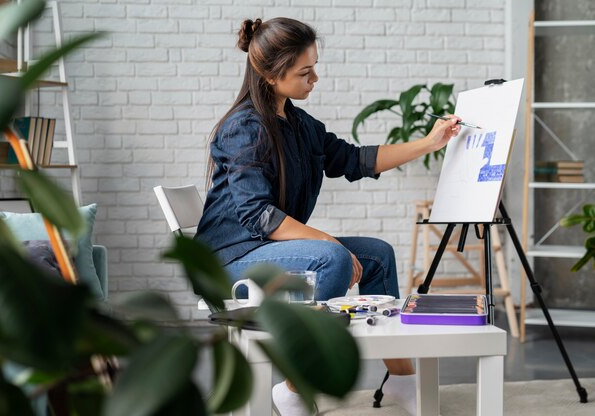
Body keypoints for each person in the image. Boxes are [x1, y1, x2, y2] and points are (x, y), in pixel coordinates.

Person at [195, 17, 461, 416]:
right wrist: (327, 242)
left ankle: (402, 378)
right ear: (270, 75)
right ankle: (295, 387)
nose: (314, 78)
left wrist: (429, 142)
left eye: (314, 66)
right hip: (228, 261)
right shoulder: (243, 128)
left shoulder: (300, 125)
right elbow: (258, 215)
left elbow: (355, 160)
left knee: (377, 253)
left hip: (267, 249)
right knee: (331, 258)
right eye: (305, 71)